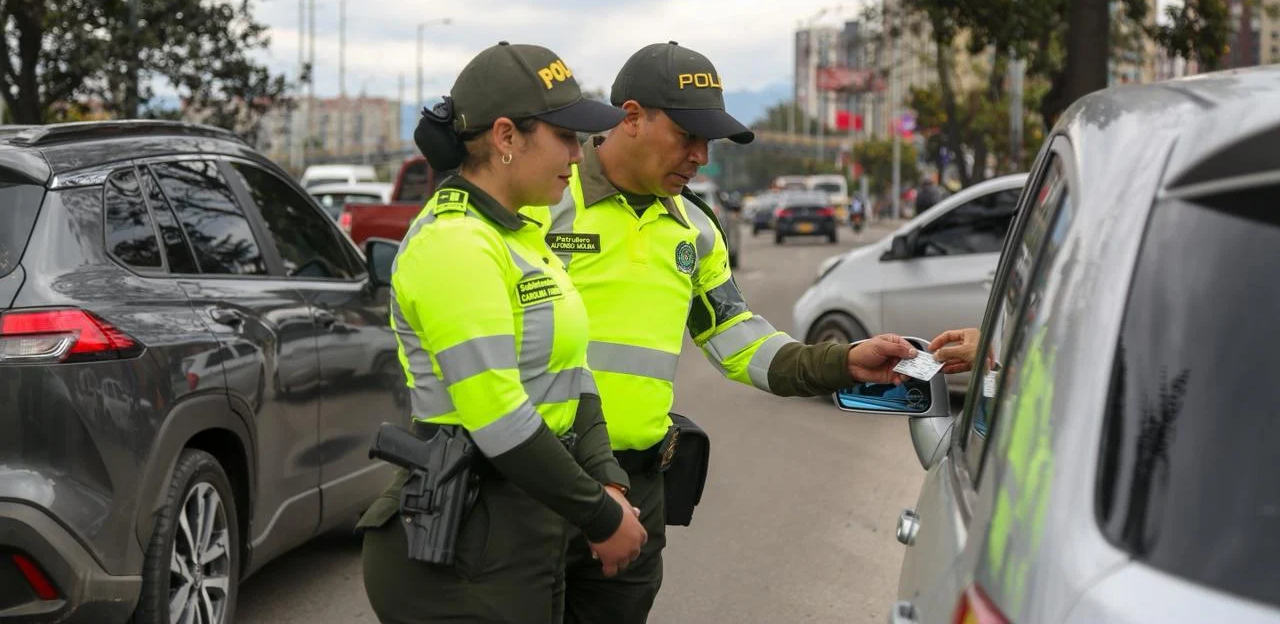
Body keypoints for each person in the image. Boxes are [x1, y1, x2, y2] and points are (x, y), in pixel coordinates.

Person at [524, 41, 979, 624]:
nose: (701, 157)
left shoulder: (694, 227)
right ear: (631, 117)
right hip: (536, 480)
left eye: (708, 141)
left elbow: (736, 336)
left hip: (638, 486)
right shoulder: (545, 201)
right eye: (688, 136)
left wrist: (842, 362)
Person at [358, 41, 648, 624]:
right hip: (461, 545)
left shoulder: (521, 235)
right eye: (565, 136)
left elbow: (573, 373)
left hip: (526, 531)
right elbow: (495, 413)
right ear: (506, 137)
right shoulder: (455, 244)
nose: (579, 152)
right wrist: (600, 515)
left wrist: (608, 480)